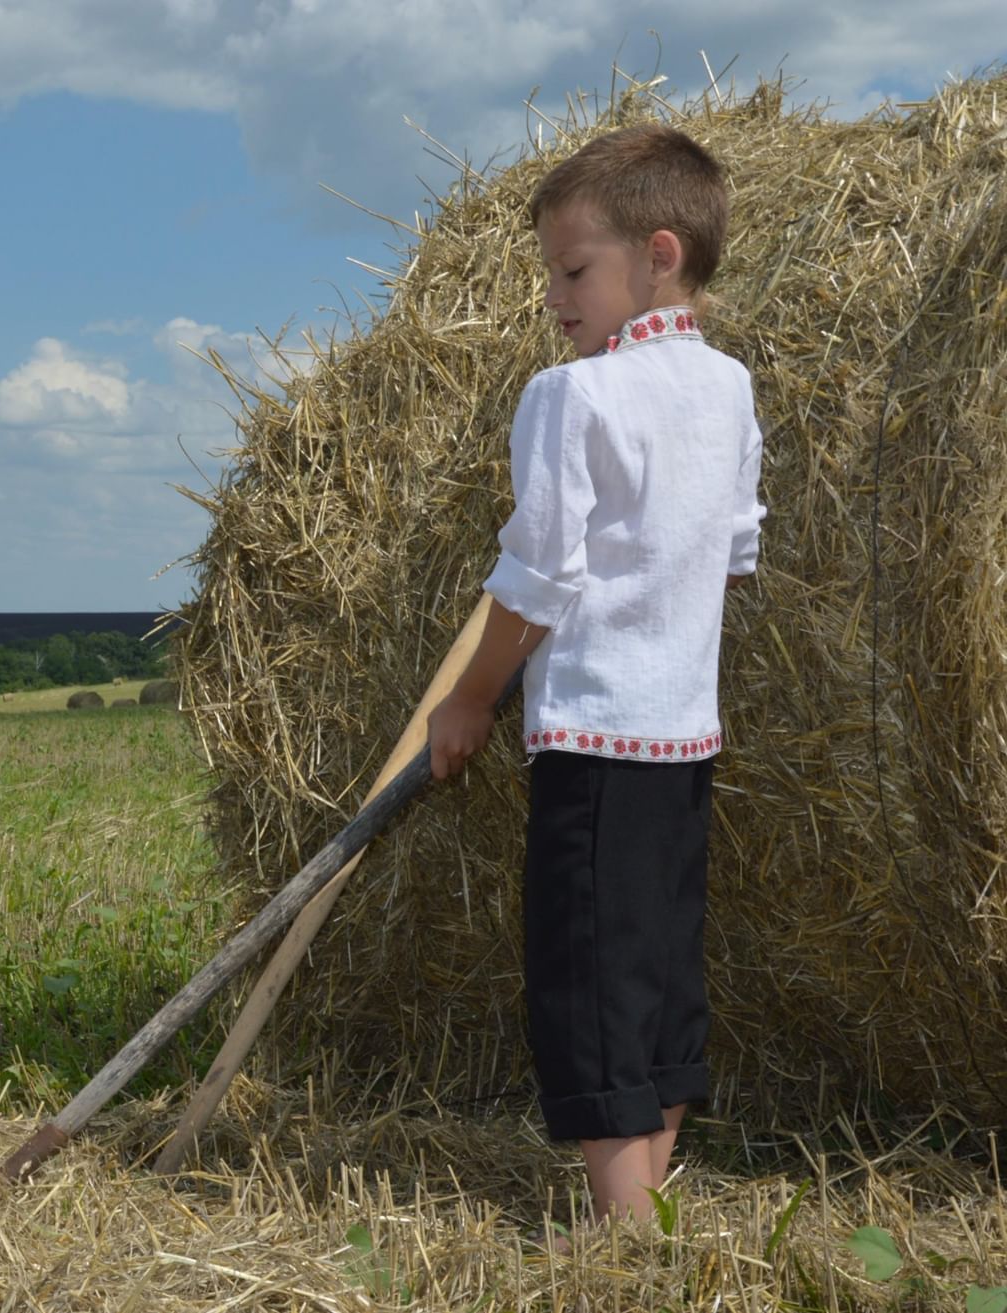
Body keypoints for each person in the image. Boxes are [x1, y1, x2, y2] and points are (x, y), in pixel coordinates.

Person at [424, 124, 765, 1233]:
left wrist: (470, 695)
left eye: (571, 271)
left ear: (656, 255)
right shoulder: (726, 389)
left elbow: (539, 575)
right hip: (682, 738)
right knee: (658, 974)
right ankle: (648, 1210)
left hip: (595, 742)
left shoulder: (571, 397)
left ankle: (622, 1250)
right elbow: (734, 548)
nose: (553, 299)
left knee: (590, 987)